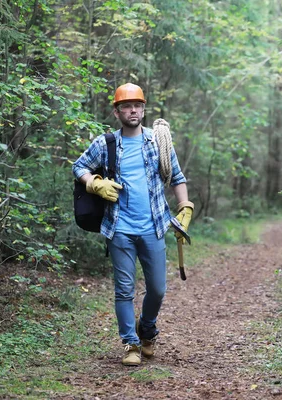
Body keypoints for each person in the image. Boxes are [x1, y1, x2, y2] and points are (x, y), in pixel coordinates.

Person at [72, 83, 193, 366]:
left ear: (144, 108)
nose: (133, 110)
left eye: (137, 105)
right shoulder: (106, 144)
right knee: (124, 289)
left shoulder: (157, 142)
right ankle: (130, 343)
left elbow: (177, 177)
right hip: (119, 229)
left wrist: (185, 207)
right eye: (126, 106)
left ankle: (147, 328)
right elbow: (79, 166)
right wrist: (95, 183)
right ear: (117, 112)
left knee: (158, 289)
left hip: (153, 227)